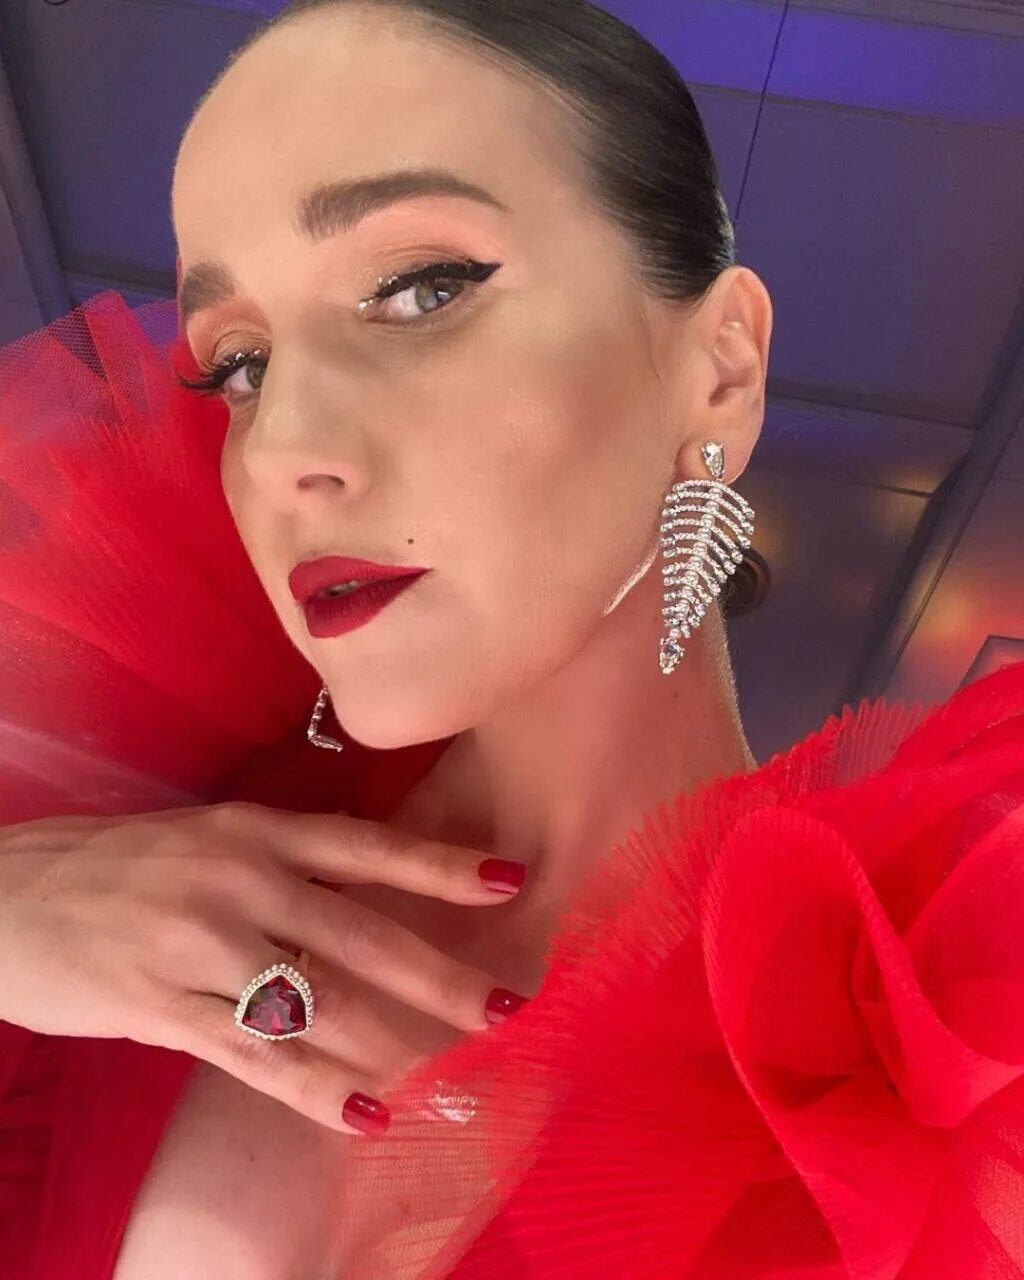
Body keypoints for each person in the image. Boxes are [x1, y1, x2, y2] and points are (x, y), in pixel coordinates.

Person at [0, 1, 1020, 1278]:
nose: (282, 449)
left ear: (720, 368)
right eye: (241, 363)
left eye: (419, 288)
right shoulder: (128, 833)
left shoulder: (930, 1047)